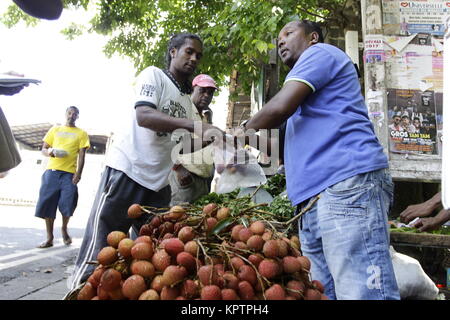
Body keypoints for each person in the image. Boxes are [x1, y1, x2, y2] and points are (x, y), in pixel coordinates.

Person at [239, 20, 399, 300]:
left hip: (345, 186)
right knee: (323, 293)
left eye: (288, 34)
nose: (281, 41)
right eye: (278, 38)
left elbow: (278, 107)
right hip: (312, 201)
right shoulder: (305, 108)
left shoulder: (321, 53)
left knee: (361, 292)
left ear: (313, 37)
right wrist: (236, 137)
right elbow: (279, 150)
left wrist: (243, 129)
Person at [70, 33, 221, 289]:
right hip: (128, 170)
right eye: (188, 52)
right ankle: (79, 290)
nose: (194, 58)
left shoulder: (186, 102)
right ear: (173, 52)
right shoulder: (154, 75)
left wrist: (213, 138)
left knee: (151, 251)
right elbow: (144, 115)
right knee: (102, 246)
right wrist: (194, 125)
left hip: (159, 186)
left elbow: (181, 144)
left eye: (198, 55)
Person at [35, 106, 90, 248]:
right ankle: (49, 237)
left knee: (68, 203)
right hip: (51, 172)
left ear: (78, 117)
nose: (71, 115)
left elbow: (82, 155)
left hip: (69, 174)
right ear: (65, 114)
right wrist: (50, 152)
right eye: (69, 113)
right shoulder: (55, 129)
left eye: (75, 114)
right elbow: (44, 148)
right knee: (48, 203)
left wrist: (79, 173)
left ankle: (64, 228)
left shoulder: (81, 133)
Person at [169, 74, 217, 205]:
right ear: (193, 90)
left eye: (210, 92)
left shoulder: (205, 117)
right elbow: (170, 142)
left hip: (203, 182)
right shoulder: (183, 110)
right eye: (202, 90)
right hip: (186, 179)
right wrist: (178, 169)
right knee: (178, 219)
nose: (206, 95)